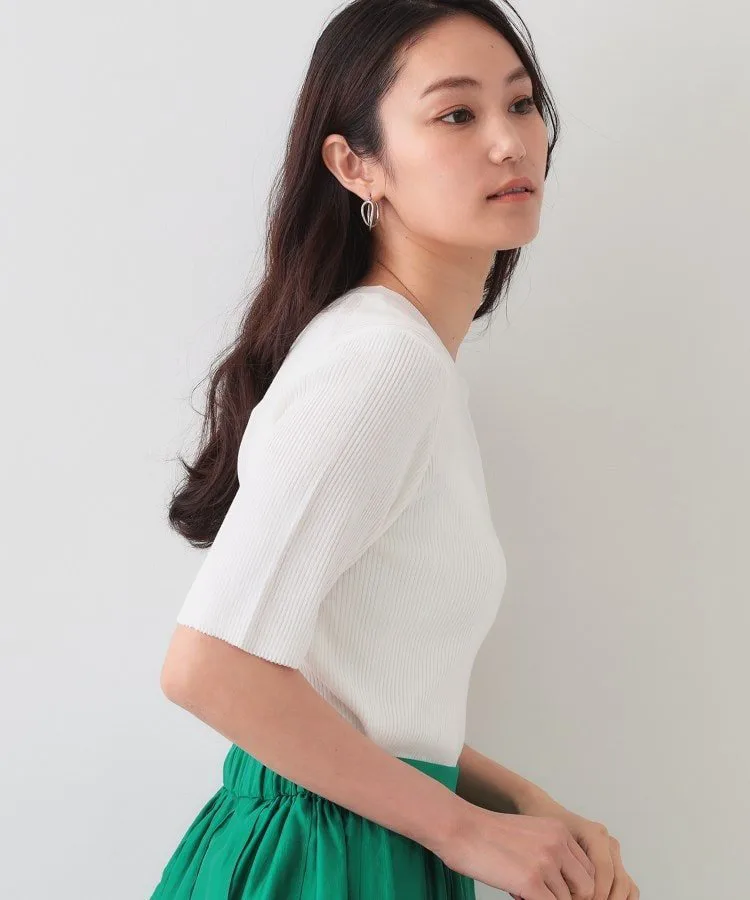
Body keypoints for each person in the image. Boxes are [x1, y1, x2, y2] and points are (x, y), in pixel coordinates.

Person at [151, 1, 639, 898]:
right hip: (326, 858)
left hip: (362, 836)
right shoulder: (382, 364)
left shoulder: (405, 360)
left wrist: (517, 803)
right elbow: (210, 667)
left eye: (521, 104)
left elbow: (364, 699)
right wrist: (468, 832)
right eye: (456, 114)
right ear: (356, 164)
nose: (510, 143)